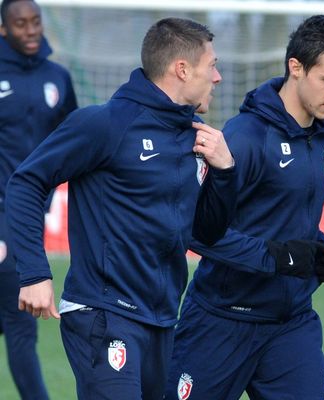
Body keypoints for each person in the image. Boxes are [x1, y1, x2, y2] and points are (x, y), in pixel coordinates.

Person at [5, 17, 237, 399]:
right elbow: (27, 181)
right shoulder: (106, 123)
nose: (218, 78)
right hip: (103, 312)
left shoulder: (196, 138)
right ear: (181, 69)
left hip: (162, 319)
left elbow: (206, 234)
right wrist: (33, 273)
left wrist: (225, 172)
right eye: (211, 65)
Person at [164, 14, 324, 400]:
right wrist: (278, 258)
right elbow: (197, 232)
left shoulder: (323, 136)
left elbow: (283, 217)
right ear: (296, 68)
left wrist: (317, 249)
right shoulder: (246, 137)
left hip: (291, 323)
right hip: (222, 321)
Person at [0, 0, 78, 398]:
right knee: (20, 324)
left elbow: (75, 142)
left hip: (29, 214)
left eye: (35, 22)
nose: (30, 30)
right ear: (2, 29)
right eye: (20, 24)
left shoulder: (58, 78)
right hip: (3, 217)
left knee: (15, 322)